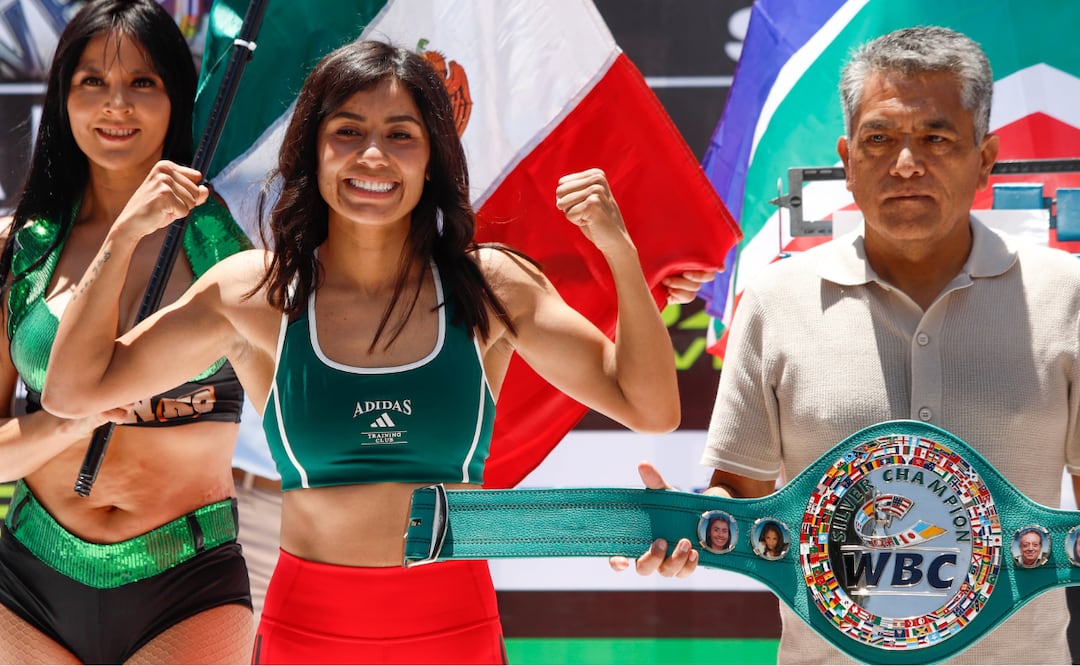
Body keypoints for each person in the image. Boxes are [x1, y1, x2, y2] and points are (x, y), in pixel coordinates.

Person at [42, 39, 681, 664]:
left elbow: (651, 409)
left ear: (432, 159)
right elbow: (72, 391)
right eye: (347, 132)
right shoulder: (257, 293)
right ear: (313, 153)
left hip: (456, 635)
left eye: (401, 135)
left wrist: (620, 251)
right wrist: (125, 234)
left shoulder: (490, 286)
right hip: (306, 635)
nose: (372, 156)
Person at [614, 26, 1080, 664]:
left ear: (986, 159)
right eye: (880, 139)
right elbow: (741, 506)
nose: (906, 164)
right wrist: (673, 527)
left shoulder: (1067, 297)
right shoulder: (777, 299)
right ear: (847, 159)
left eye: (936, 138)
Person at [0, 1, 256, 664]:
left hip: (185, 580)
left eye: (144, 82)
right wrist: (67, 421)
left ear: (176, 98)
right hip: (26, 576)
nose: (118, 105)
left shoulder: (227, 250)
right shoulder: (21, 250)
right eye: (93, 82)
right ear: (63, 98)